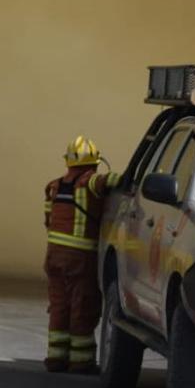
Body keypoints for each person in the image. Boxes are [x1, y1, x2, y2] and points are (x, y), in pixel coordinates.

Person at [42, 136, 121, 373]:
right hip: (81, 258)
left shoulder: (53, 186)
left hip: (54, 256)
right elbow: (114, 180)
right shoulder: (90, 182)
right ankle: (81, 361)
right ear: (94, 162)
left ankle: (55, 357)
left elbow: (49, 221)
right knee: (82, 306)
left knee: (59, 305)